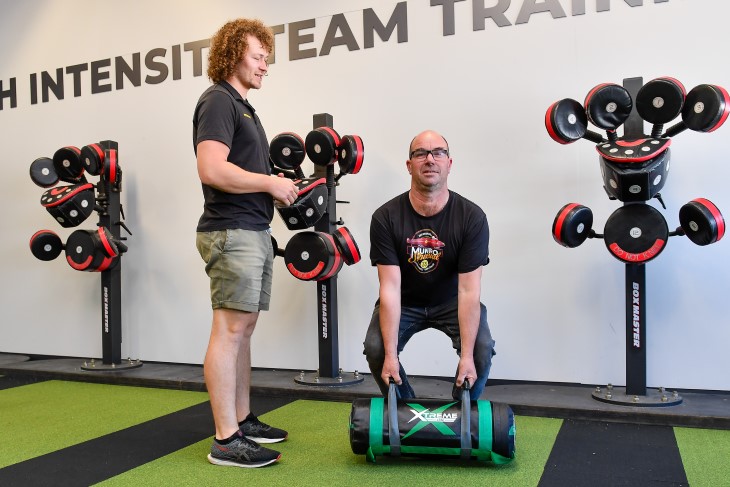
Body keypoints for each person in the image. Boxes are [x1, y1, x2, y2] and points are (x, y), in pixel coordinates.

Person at [193, 18, 299, 468]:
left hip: (252, 230)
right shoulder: (219, 100)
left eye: (266, 60)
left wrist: (274, 185)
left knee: (244, 329)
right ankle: (225, 440)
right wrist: (270, 183)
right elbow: (211, 168)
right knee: (229, 330)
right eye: (259, 57)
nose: (264, 66)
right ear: (234, 53)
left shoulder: (243, 106)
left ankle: (242, 418)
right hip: (230, 230)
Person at [363, 130, 496, 401]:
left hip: (451, 301)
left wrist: (467, 357)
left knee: (481, 349)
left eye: (438, 152)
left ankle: (459, 413)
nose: (430, 159)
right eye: (420, 153)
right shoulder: (385, 217)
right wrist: (390, 356)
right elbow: (389, 288)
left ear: (449, 163)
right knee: (376, 348)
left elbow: (469, 292)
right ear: (409, 165)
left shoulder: (472, 218)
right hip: (405, 301)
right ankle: (407, 411)